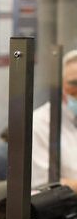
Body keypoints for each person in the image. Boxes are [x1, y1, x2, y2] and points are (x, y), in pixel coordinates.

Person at [32, 49, 77, 190]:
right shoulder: (39, 124)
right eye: (74, 83)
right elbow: (45, 183)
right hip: (63, 202)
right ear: (58, 86)